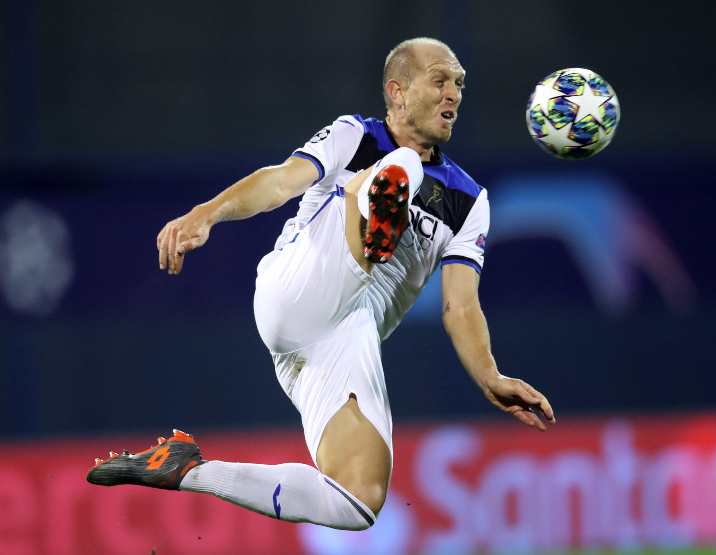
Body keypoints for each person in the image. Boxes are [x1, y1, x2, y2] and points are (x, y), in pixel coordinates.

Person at [87, 37, 556, 531]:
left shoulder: (469, 200)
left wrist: (490, 376)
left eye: (459, 84)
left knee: (357, 502)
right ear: (397, 91)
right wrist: (210, 214)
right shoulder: (356, 135)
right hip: (297, 288)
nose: (454, 95)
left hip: (343, 336)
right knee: (405, 165)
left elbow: (460, 307)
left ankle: (185, 468)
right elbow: (280, 181)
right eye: (439, 81)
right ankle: (374, 204)